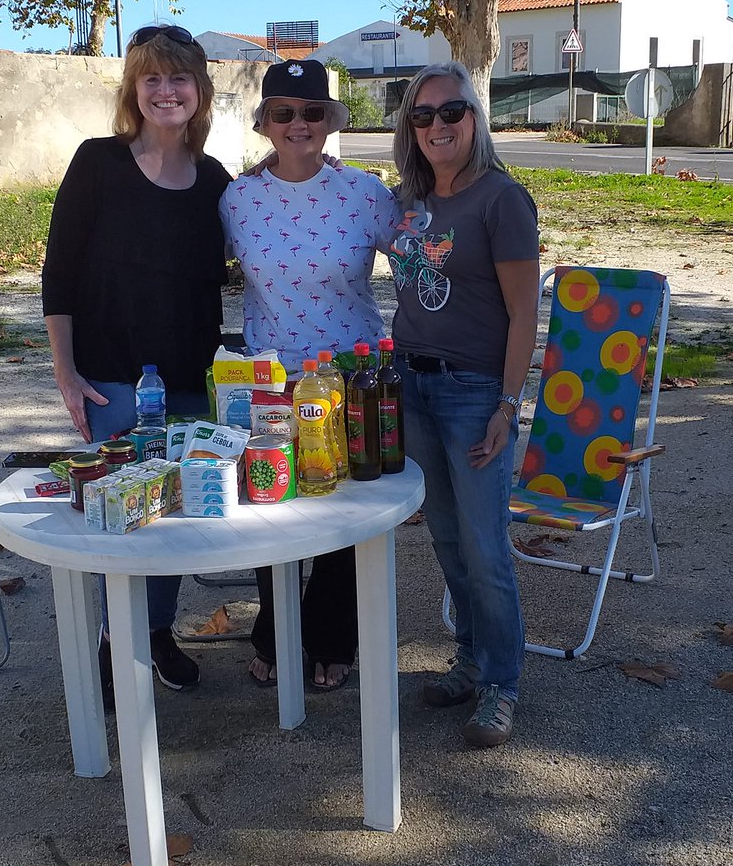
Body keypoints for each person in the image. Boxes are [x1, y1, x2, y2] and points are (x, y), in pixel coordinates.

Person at [41, 24, 230, 701]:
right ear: (133, 90)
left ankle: (153, 633)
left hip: (187, 381)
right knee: (119, 521)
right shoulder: (98, 163)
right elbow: (59, 276)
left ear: (200, 92)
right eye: (151, 78)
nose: (166, 90)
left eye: (179, 78)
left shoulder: (214, 180)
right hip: (110, 377)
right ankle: (114, 642)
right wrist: (65, 374)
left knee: (171, 514)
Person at [220, 59, 400, 691]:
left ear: (332, 120)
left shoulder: (366, 194)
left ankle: (331, 638)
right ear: (265, 122)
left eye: (313, 112)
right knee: (273, 507)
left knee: (341, 515)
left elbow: (424, 266)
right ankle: (274, 633)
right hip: (269, 381)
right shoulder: (237, 199)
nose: (299, 124)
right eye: (284, 113)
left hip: (351, 378)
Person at [388, 61, 540, 748]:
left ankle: (502, 686)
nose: (438, 125)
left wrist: (508, 405)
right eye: (423, 116)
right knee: (447, 540)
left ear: (475, 118)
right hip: (412, 385)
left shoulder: (500, 200)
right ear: (408, 128)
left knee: (485, 549)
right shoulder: (408, 200)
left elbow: (522, 314)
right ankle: (471, 661)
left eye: (452, 112)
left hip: (474, 391)